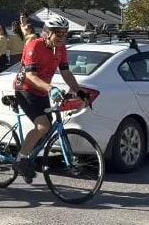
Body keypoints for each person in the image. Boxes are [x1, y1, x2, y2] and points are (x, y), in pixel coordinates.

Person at [12, 15, 88, 183]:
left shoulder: (61, 49)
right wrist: (51, 88)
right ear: (47, 33)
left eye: (65, 33)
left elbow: (66, 73)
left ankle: (30, 157)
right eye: (58, 33)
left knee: (48, 126)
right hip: (24, 89)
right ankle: (21, 159)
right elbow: (31, 76)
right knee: (43, 125)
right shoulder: (34, 46)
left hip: (42, 90)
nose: (62, 37)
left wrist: (79, 91)